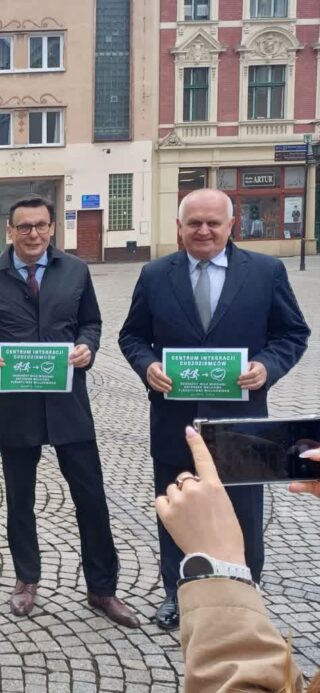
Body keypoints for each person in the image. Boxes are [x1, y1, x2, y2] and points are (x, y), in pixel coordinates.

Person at [118, 188, 310, 630]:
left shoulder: (265, 272)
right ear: (179, 228)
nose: (203, 230)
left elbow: (292, 334)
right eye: (194, 223)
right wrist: (148, 367)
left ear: (231, 226)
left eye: (213, 223)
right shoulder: (153, 274)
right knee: (176, 509)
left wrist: (267, 366)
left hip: (239, 422)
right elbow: (132, 337)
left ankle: (244, 597)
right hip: (174, 422)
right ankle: (177, 594)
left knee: (243, 512)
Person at [0, 196, 139, 628]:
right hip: (17, 406)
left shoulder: (75, 271)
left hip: (68, 405)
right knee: (20, 500)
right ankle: (27, 579)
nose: (33, 234)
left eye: (41, 225)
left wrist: (88, 347)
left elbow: (91, 323)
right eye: (24, 227)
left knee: (91, 498)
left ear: (53, 227)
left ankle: (102, 588)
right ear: (10, 231)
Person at [157, 427, 316, 692]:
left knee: (241, 526)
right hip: (173, 428)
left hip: (243, 428)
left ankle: (245, 587)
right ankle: (176, 595)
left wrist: (220, 571)